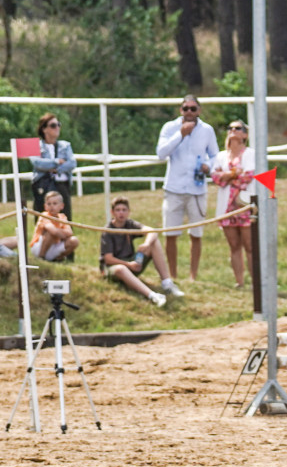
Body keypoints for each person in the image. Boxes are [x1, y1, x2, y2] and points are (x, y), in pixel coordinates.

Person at [156, 94, 219, 281]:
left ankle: (193, 276)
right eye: (186, 109)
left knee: (196, 234)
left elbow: (215, 155)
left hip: (197, 189)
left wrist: (209, 165)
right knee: (171, 234)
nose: (189, 112)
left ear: (199, 110)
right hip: (174, 188)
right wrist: (180, 135)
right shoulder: (170, 128)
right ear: (180, 110)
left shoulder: (207, 130)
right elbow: (161, 153)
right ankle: (173, 275)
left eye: (193, 109)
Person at [100, 196, 185, 307]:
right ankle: (153, 296)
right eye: (118, 210)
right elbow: (108, 259)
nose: (121, 213)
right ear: (112, 212)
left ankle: (167, 283)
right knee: (121, 269)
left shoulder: (129, 224)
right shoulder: (108, 231)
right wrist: (128, 265)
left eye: (124, 210)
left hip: (131, 264)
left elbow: (152, 231)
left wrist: (146, 244)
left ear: (129, 212)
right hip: (114, 268)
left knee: (153, 242)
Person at [211, 120, 256, 288]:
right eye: (230, 128)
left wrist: (226, 176)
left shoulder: (251, 154)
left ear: (245, 134)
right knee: (234, 246)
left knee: (250, 246)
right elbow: (215, 177)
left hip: (244, 205)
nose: (233, 131)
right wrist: (233, 174)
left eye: (237, 128)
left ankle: (255, 281)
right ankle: (240, 282)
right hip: (227, 207)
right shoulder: (221, 156)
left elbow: (248, 176)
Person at [29, 112, 76, 221]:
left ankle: (64, 237)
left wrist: (55, 169)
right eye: (53, 125)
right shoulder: (34, 144)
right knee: (42, 218)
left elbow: (72, 163)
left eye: (58, 124)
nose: (57, 128)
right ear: (44, 129)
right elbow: (37, 163)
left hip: (62, 186)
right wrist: (56, 162)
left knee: (65, 219)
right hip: (42, 185)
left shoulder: (66, 145)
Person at [29, 190, 79, 262]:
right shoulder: (44, 216)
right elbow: (53, 231)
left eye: (55, 203)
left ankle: (57, 259)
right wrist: (62, 233)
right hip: (39, 247)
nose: (51, 206)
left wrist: (59, 233)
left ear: (61, 206)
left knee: (74, 241)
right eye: (49, 204)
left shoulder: (63, 217)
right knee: (51, 234)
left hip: (54, 246)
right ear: (45, 206)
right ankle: (41, 258)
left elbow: (70, 233)